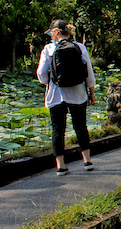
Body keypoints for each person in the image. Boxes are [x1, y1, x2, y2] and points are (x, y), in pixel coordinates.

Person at [36, 19, 96, 176]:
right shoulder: (79, 47)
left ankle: (61, 166)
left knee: (57, 129)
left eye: (51, 33)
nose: (50, 36)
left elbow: (41, 74)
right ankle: (87, 161)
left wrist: (49, 82)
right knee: (81, 127)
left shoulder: (48, 49)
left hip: (56, 95)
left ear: (56, 33)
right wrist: (92, 92)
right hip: (78, 93)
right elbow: (88, 72)